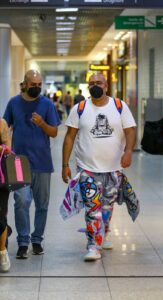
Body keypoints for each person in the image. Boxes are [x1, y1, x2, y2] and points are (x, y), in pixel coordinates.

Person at [62, 73, 136, 261]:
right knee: (92, 208)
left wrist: (128, 152)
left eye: (99, 83)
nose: (96, 86)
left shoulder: (119, 107)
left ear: (106, 86)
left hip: (113, 168)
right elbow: (69, 136)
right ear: (88, 87)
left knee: (106, 207)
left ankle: (104, 233)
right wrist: (65, 164)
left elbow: (130, 131)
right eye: (92, 83)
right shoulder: (79, 108)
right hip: (87, 168)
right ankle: (93, 246)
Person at [3, 69, 61, 259]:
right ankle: (23, 242)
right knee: (21, 202)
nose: (36, 88)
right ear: (25, 84)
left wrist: (42, 124)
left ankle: (37, 240)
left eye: (39, 85)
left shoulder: (46, 104)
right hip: (19, 163)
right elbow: (5, 128)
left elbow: (54, 132)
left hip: (42, 162)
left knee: (42, 204)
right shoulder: (13, 103)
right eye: (33, 85)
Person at [0, 118, 11, 272]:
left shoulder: (1, 123)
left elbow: (7, 149)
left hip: (1, 177)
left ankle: (2, 251)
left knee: (0, 216)